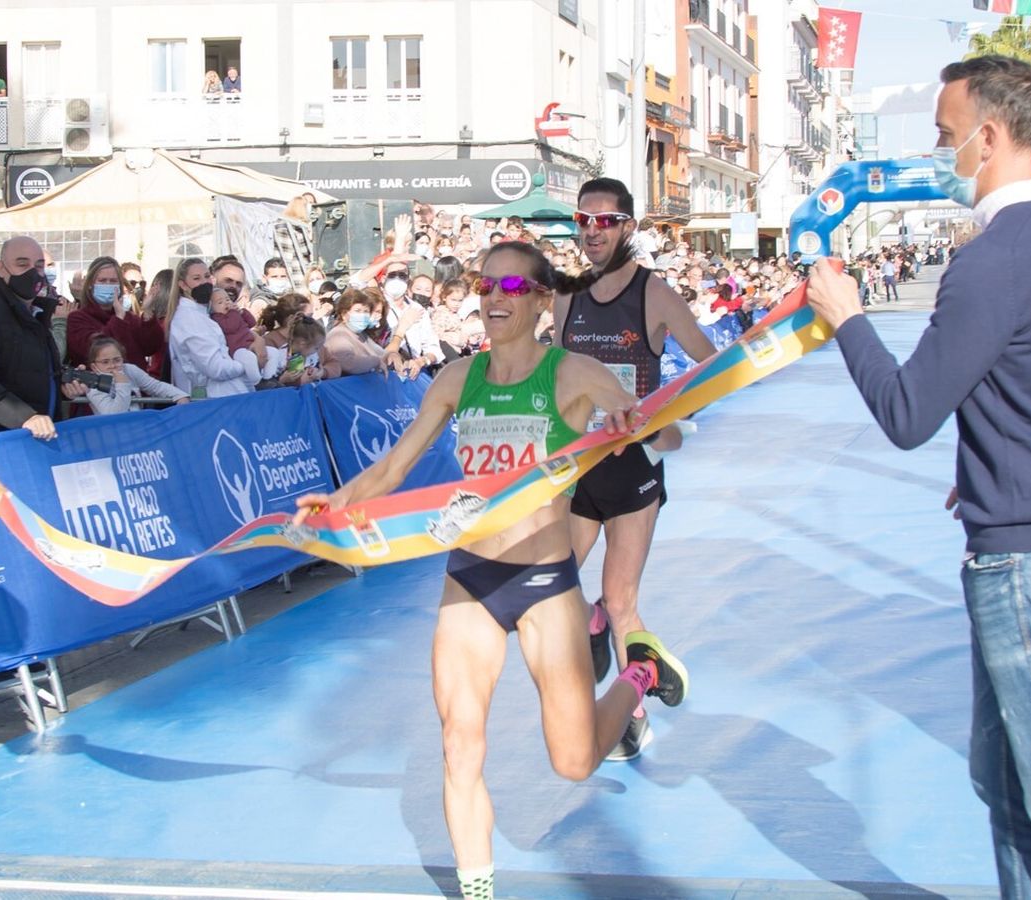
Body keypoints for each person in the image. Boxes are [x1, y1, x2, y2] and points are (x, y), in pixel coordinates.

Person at [803, 55, 1031, 898]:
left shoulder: (994, 259)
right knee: (1008, 787)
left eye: (945, 134)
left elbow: (906, 413)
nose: (938, 151)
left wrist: (849, 320)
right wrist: (1025, 456)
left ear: (989, 137)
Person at [293, 242, 688, 900]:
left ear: (541, 300)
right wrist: (335, 504)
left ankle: (639, 671)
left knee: (574, 761)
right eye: (485, 285)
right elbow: (393, 468)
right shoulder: (457, 378)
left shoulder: (574, 373)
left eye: (511, 287)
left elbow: (669, 435)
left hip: (545, 585)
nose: (494, 297)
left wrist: (638, 424)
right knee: (459, 742)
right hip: (470, 579)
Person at [552, 177, 717, 760]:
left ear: (628, 227)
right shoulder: (567, 296)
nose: (592, 232)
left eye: (605, 221)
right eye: (584, 220)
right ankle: (593, 626)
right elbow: (558, 374)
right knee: (552, 585)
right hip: (581, 466)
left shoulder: (654, 293)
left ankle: (633, 711)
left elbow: (711, 364)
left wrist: (664, 419)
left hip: (634, 471)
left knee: (619, 599)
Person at [0, 236, 88, 437]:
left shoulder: (37, 314)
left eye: (39, 266)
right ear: (0, 268)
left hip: (33, 439)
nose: (33, 272)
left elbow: (26, 375)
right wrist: (25, 417)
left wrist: (61, 387)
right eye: (22, 264)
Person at [64, 256, 165, 369]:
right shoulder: (77, 318)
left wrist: (148, 314)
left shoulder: (130, 318)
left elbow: (151, 347)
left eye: (113, 281)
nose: (108, 285)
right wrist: (118, 319)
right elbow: (93, 350)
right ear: (90, 284)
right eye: (102, 281)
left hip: (135, 379)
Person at [169, 282, 262, 398]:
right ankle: (259, 380)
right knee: (249, 361)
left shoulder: (207, 315)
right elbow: (215, 368)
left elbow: (251, 323)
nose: (226, 303)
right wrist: (243, 367)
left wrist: (242, 313)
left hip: (245, 353)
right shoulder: (204, 318)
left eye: (227, 299)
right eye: (220, 302)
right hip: (219, 388)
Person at [82, 336, 190, 415]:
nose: (112, 366)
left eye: (117, 360)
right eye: (105, 362)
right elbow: (114, 414)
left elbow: (155, 386)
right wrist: (122, 384)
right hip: (112, 433)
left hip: (137, 428)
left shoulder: (129, 370)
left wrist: (179, 395)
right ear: (94, 366)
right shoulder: (93, 384)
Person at [273, 194, 317, 293]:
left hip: (302, 274)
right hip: (296, 274)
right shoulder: (285, 227)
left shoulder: (298, 226)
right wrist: (286, 282)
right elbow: (286, 256)